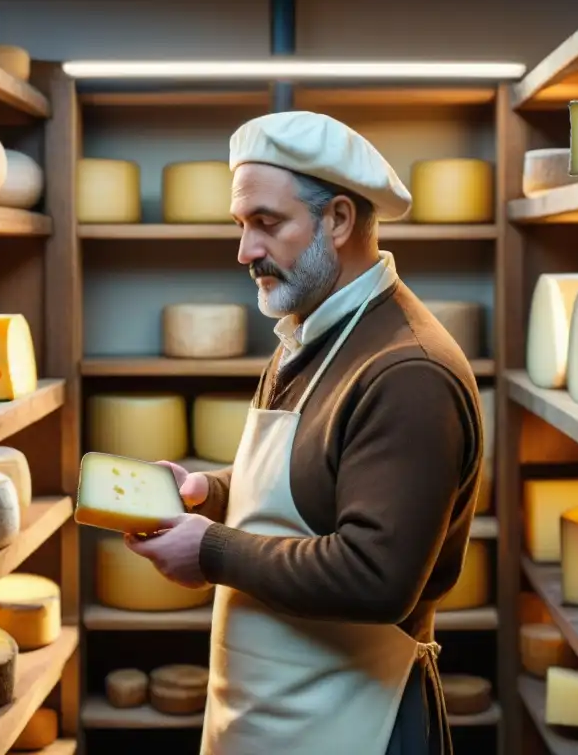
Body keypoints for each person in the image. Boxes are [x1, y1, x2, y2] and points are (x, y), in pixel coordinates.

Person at [125, 110, 484, 755]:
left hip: (357, 723)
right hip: (281, 718)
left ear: (339, 220)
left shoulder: (407, 371)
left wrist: (211, 551)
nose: (245, 251)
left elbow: (376, 575)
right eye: (241, 225)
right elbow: (309, 485)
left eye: (267, 223)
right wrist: (211, 491)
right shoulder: (311, 331)